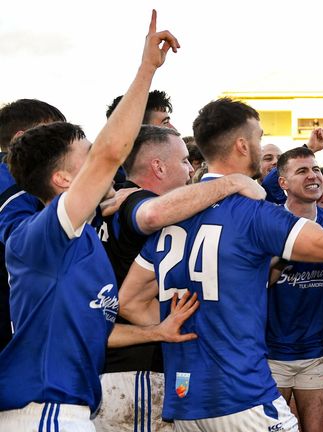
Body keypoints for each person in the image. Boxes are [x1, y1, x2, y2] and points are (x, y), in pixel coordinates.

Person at [0, 11, 197, 431]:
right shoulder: (39, 236)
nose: (104, 165)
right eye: (87, 158)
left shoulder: (84, 239)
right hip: (44, 411)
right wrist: (147, 69)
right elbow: (112, 152)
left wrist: (156, 332)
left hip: (69, 411)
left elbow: (96, 328)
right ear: (63, 180)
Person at [118, 97, 323, 432]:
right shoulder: (252, 214)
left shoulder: (174, 219)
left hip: (187, 403)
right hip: (242, 396)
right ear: (242, 144)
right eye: (259, 138)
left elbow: (129, 301)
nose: (261, 148)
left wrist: (180, 330)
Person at [96, 125, 268, 432]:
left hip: (118, 368)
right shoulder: (140, 201)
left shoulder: (118, 200)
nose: (192, 169)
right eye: (185, 161)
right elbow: (150, 216)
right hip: (139, 371)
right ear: (158, 166)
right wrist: (232, 181)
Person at [266, 146, 323, 432]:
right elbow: (261, 281)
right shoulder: (268, 221)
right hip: (270, 353)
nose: (313, 176)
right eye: (302, 171)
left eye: (316, 169)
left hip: (318, 352)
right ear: (282, 183)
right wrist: (289, 249)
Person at [0, 98, 66, 351]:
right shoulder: (12, 180)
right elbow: (24, 239)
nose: (64, 144)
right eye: (55, 134)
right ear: (22, 138)